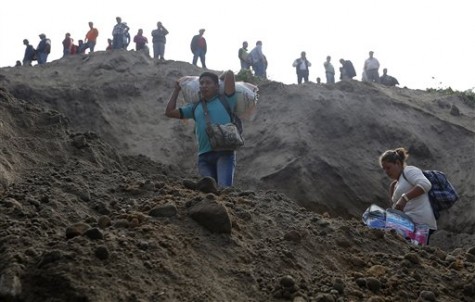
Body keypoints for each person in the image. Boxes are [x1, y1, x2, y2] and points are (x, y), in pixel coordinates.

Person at [165, 70, 238, 187]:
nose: (204, 86)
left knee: (224, 189)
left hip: (224, 152)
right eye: (201, 83)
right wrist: (176, 90)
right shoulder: (195, 107)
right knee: (210, 192)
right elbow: (169, 112)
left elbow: (229, 73)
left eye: (208, 83)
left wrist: (217, 78)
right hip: (204, 157)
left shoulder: (226, 99)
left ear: (217, 86)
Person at [379, 147, 437, 243]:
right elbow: (395, 207)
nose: (386, 171)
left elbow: (426, 184)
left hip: (421, 224)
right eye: (384, 169)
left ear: (397, 163)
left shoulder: (409, 171)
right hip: (407, 224)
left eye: (388, 167)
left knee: (416, 252)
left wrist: (404, 198)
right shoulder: (395, 184)